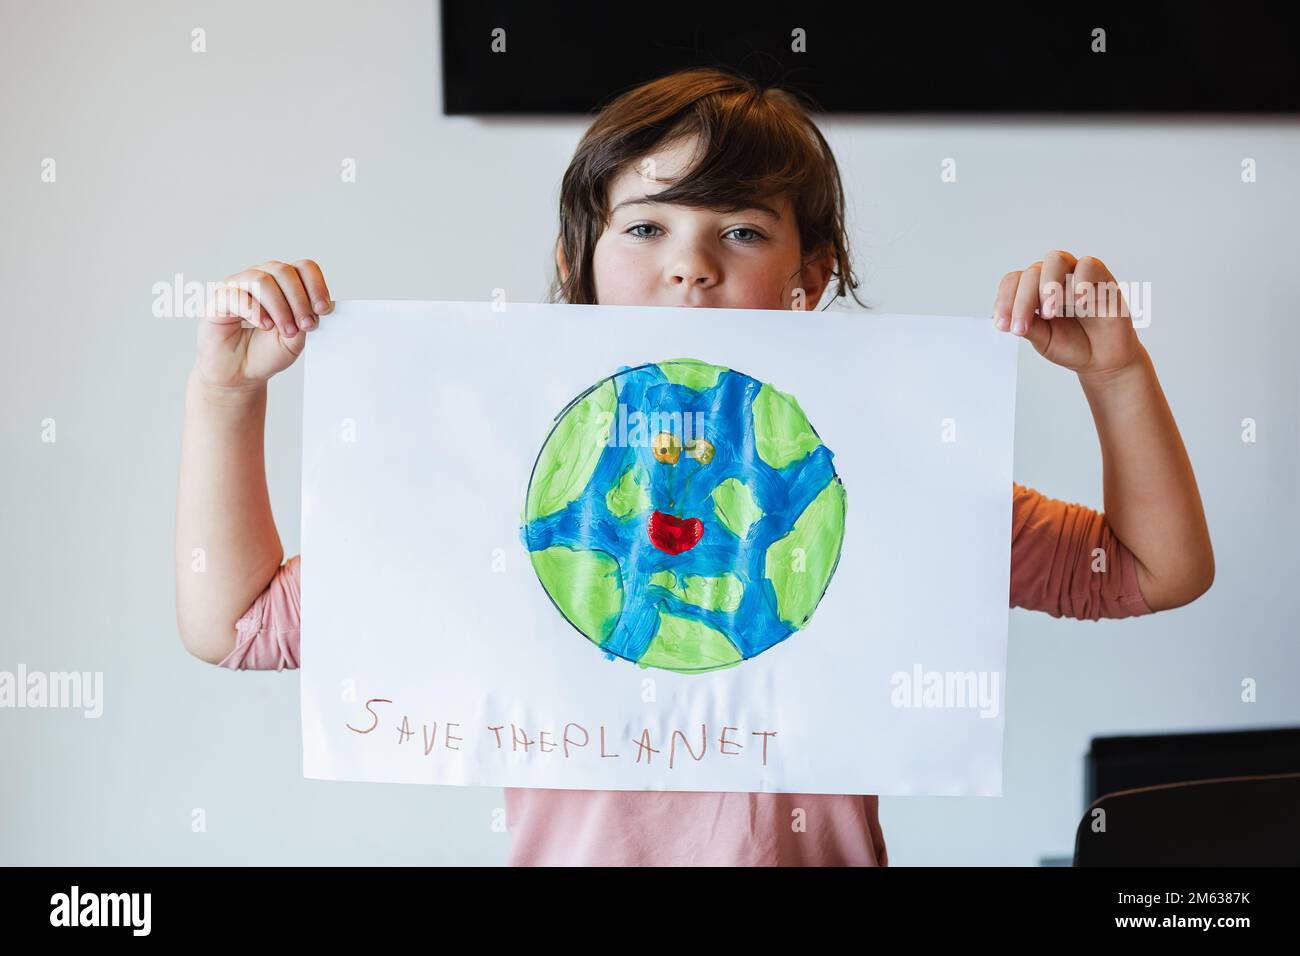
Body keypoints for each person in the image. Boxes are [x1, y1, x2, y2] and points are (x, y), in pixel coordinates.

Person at [175, 67, 1215, 866]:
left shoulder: (882, 476)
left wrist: (1115, 372)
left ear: (809, 276)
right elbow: (236, 624)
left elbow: (1147, 569)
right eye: (645, 224)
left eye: (742, 228)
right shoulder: (506, 481)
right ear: (571, 263)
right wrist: (229, 393)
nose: (690, 260)